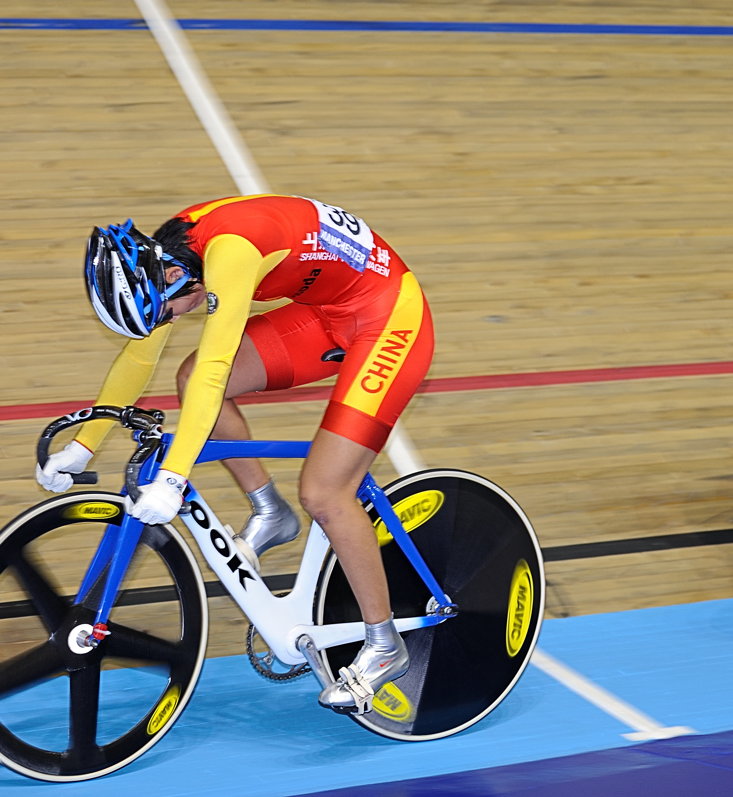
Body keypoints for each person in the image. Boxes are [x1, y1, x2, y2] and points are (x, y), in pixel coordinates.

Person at [36, 195, 434, 715]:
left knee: (325, 490)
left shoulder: (230, 253)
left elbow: (217, 365)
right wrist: (82, 443)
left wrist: (175, 476)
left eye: (167, 312)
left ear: (178, 278)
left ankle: (385, 646)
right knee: (186, 376)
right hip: (323, 311)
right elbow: (140, 353)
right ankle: (270, 512)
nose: (170, 320)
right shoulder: (168, 257)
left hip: (388, 318)